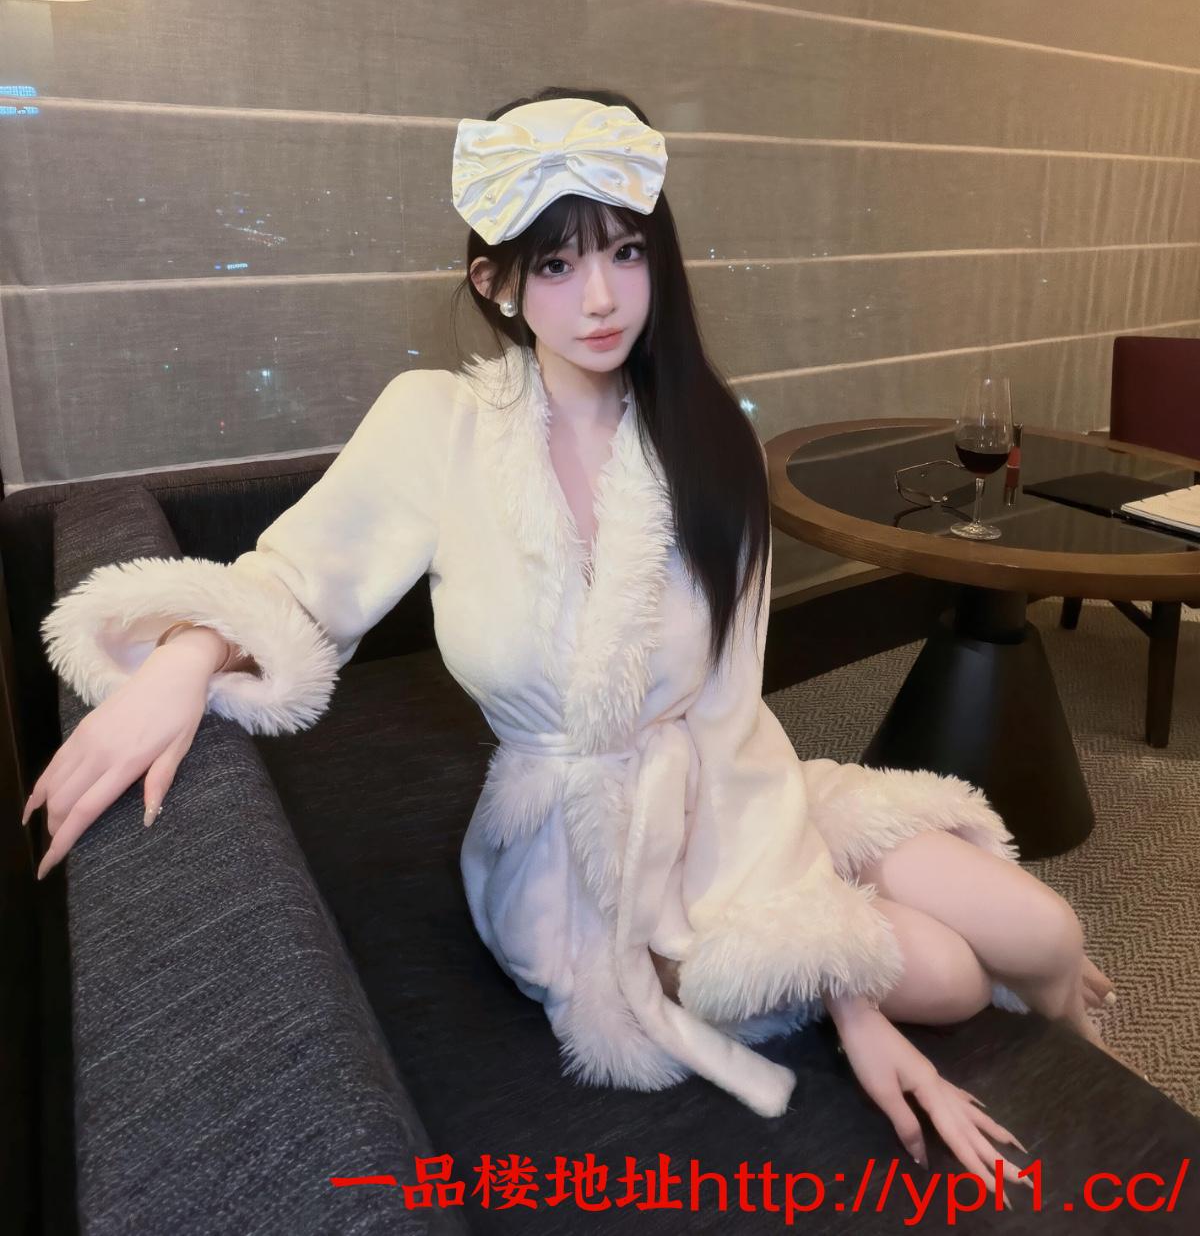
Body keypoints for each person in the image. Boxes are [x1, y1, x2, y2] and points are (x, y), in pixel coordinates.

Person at [26, 88, 1120, 1191]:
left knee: (1044, 929)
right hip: (582, 867)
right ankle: (1076, 1143)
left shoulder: (707, 442)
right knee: (948, 976)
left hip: (734, 795)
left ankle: (1097, 1102)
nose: (600, 298)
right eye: (555, 264)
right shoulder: (439, 424)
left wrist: (811, 927)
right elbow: (296, 583)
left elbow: (730, 709)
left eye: (625, 253)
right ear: (493, 281)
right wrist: (177, 666)